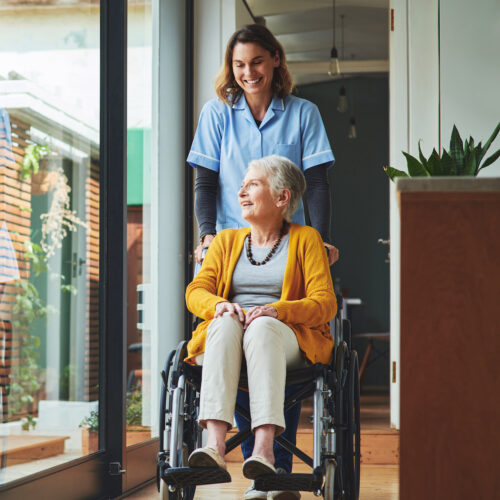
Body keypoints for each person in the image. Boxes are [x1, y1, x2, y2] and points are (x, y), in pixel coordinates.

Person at [187, 24, 337, 499]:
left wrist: (319, 239)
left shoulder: (302, 113)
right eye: (238, 64)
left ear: (275, 60)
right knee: (227, 328)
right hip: (235, 245)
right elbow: (205, 183)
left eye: (255, 61)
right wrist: (208, 237)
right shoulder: (217, 114)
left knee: (269, 333)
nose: (247, 72)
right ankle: (223, 447)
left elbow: (316, 181)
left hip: (286, 244)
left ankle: (272, 463)